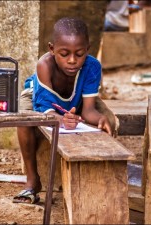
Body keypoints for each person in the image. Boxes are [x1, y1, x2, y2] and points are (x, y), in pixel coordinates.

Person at [13, 17, 118, 204]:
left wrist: (100, 119)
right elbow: (44, 109)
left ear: (88, 49)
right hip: (38, 100)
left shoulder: (92, 66)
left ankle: (99, 177)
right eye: (64, 54)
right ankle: (32, 180)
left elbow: (88, 110)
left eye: (79, 54)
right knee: (25, 120)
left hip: (75, 99)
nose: (72, 61)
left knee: (109, 120)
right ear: (51, 49)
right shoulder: (44, 66)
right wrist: (61, 119)